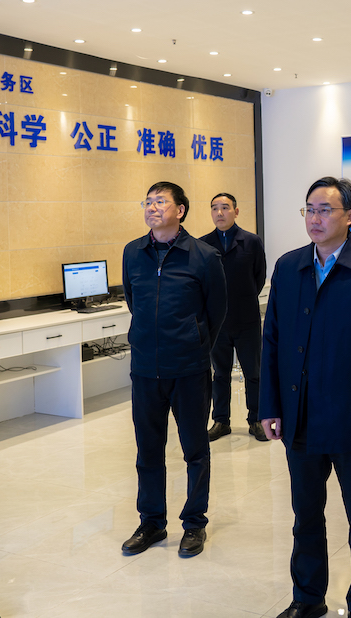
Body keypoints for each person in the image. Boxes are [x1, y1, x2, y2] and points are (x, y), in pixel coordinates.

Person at [261, 177, 351, 618]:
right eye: (309, 209)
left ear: (350, 215)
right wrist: (269, 405)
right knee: (305, 516)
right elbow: (272, 341)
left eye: (325, 209)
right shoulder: (288, 267)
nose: (315, 218)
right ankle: (308, 598)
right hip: (300, 417)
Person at [120, 181, 227, 558]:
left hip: (189, 369)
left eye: (160, 202)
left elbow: (217, 311)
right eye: (148, 202)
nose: (152, 208)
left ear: (180, 210)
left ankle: (194, 522)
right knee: (148, 451)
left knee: (195, 449)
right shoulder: (133, 252)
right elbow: (133, 300)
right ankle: (151, 521)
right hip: (145, 369)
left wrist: (195, 343)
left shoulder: (204, 256)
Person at [200, 192, 267, 442]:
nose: (219, 213)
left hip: (247, 319)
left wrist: (243, 298)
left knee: (253, 373)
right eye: (214, 208)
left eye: (225, 207)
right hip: (217, 323)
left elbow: (259, 277)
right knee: (220, 374)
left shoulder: (251, 241)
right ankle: (221, 421)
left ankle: (256, 420)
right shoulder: (204, 244)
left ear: (236, 212)